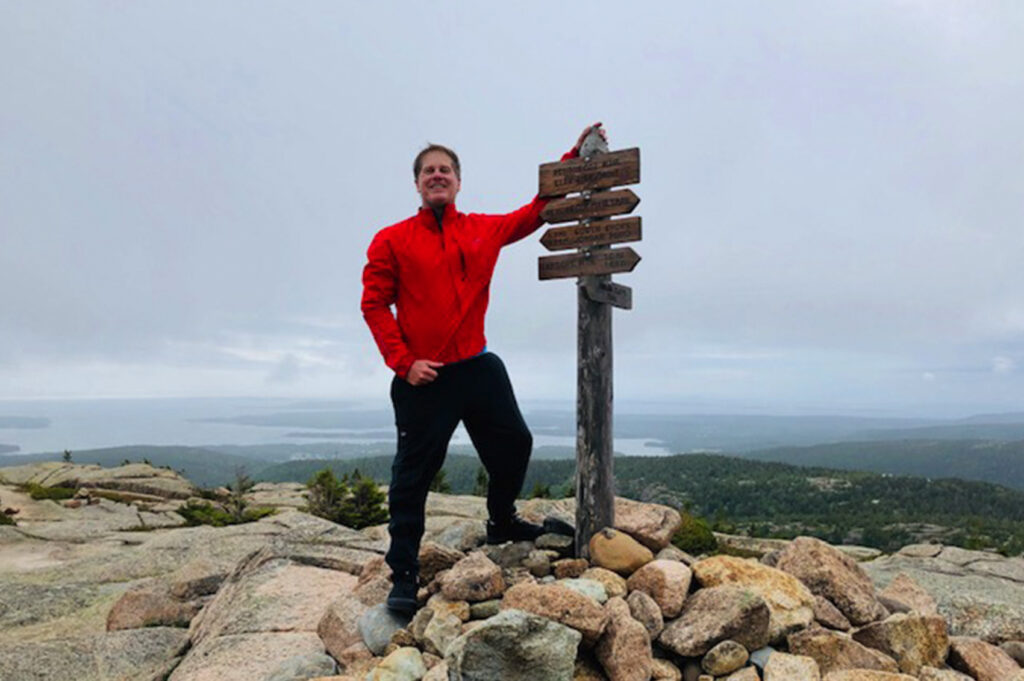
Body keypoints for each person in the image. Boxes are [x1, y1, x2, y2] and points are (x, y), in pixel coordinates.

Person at [361, 123, 605, 613]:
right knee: (413, 476)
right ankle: (403, 572)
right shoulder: (391, 240)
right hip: (424, 377)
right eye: (428, 170)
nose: (437, 176)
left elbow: (534, 212)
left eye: (445, 169)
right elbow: (373, 305)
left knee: (515, 444)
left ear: (457, 181)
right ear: (417, 183)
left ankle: (501, 521)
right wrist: (403, 363)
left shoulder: (482, 229)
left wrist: (576, 155)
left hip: (477, 365)